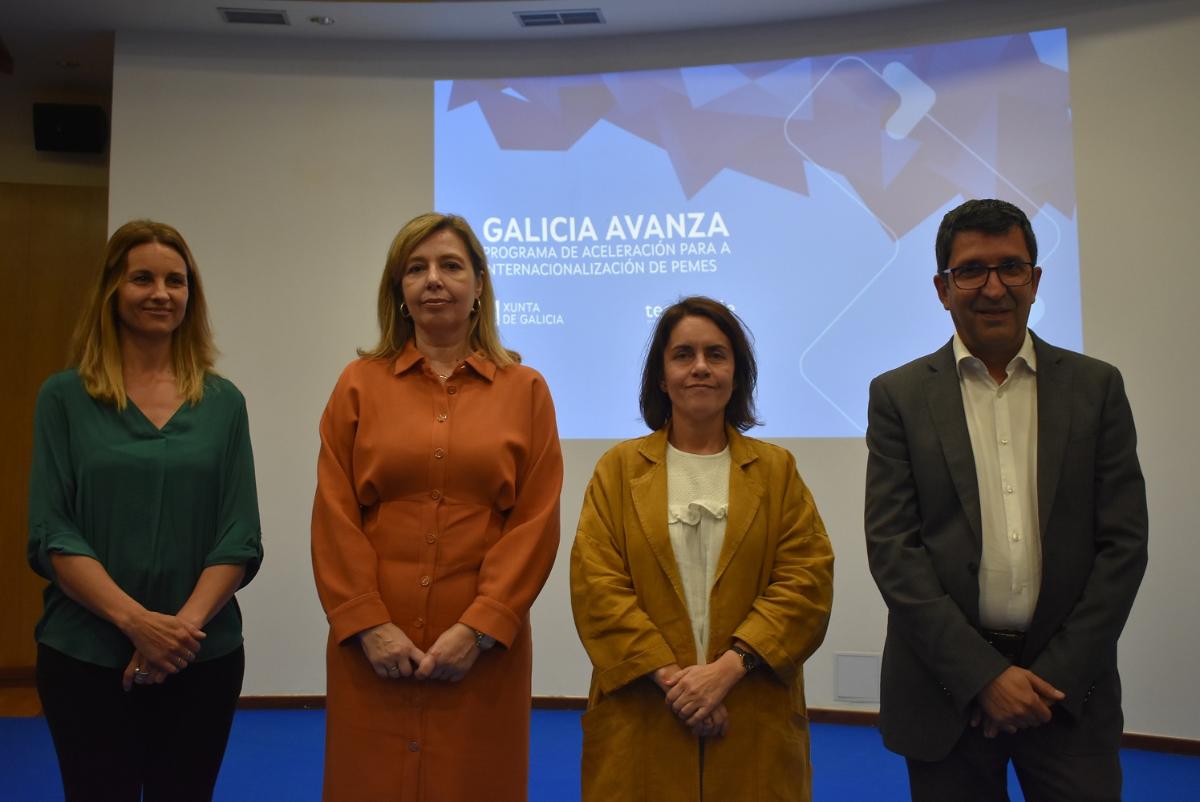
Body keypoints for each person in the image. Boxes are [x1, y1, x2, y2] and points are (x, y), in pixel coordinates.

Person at [864, 199, 1148, 801]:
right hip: (943, 692)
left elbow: (1123, 546)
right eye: (971, 270)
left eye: (1011, 267)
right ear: (943, 289)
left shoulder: (1096, 388)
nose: (993, 288)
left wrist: (1049, 677)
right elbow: (894, 552)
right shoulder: (898, 397)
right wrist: (984, 677)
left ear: (1035, 281)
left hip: (1068, 695)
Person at [311, 212, 563, 802]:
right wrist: (368, 625)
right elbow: (334, 513)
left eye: (450, 266)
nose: (433, 280)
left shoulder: (526, 390)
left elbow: (535, 522)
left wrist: (479, 630)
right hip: (373, 651)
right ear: (398, 290)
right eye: (416, 268)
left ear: (479, 285)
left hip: (482, 657)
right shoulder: (358, 383)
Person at [27, 220, 264, 802]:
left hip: (200, 656)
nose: (161, 293)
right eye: (143, 279)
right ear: (113, 289)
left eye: (175, 281)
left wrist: (177, 634)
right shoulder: (63, 397)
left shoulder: (224, 403)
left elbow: (239, 534)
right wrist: (138, 624)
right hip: (84, 655)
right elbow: (54, 531)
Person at [570, 296, 834, 802]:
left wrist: (724, 673)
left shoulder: (777, 471)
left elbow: (806, 583)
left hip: (750, 709)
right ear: (661, 377)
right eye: (682, 355)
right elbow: (597, 588)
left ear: (737, 374)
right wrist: (681, 686)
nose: (700, 367)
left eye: (716, 354)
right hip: (644, 711)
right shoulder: (616, 470)